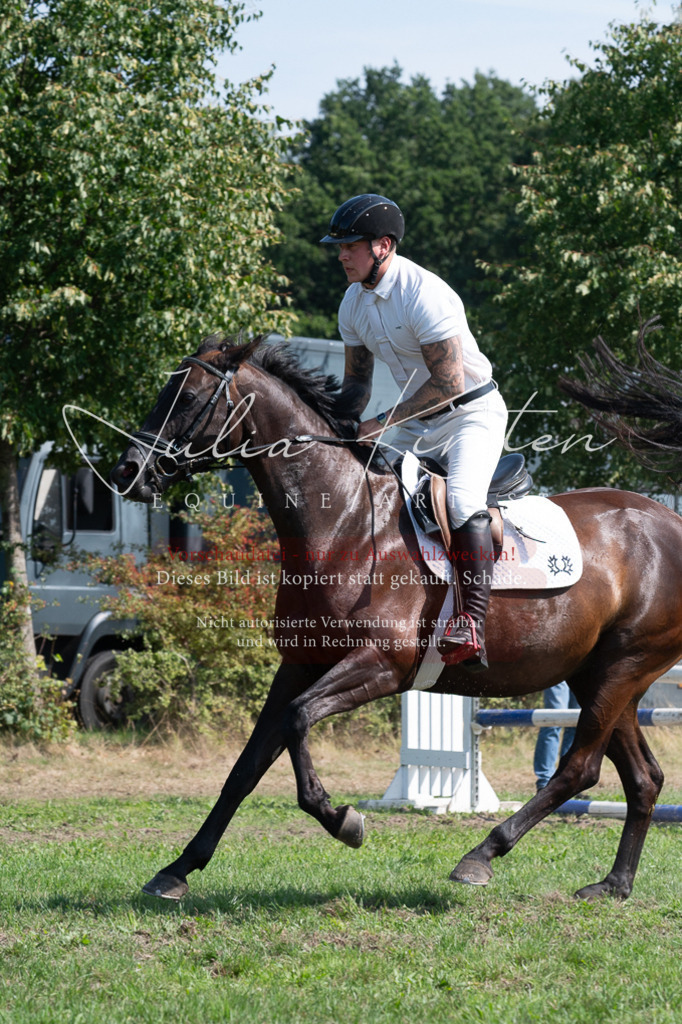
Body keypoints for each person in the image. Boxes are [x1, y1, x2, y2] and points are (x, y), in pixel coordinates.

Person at [320, 193, 508, 670]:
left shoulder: (424, 292)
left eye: (350, 246)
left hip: (470, 414)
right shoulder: (352, 304)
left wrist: (381, 423)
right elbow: (357, 385)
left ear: (383, 245)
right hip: (415, 422)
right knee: (356, 482)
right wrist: (331, 432)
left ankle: (472, 622)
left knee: (464, 501)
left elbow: (448, 384)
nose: (341, 255)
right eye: (339, 247)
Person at [533, 682, 580, 790]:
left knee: (576, 723)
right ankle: (545, 782)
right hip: (558, 669)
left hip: (580, 668)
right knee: (553, 721)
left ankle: (568, 779)